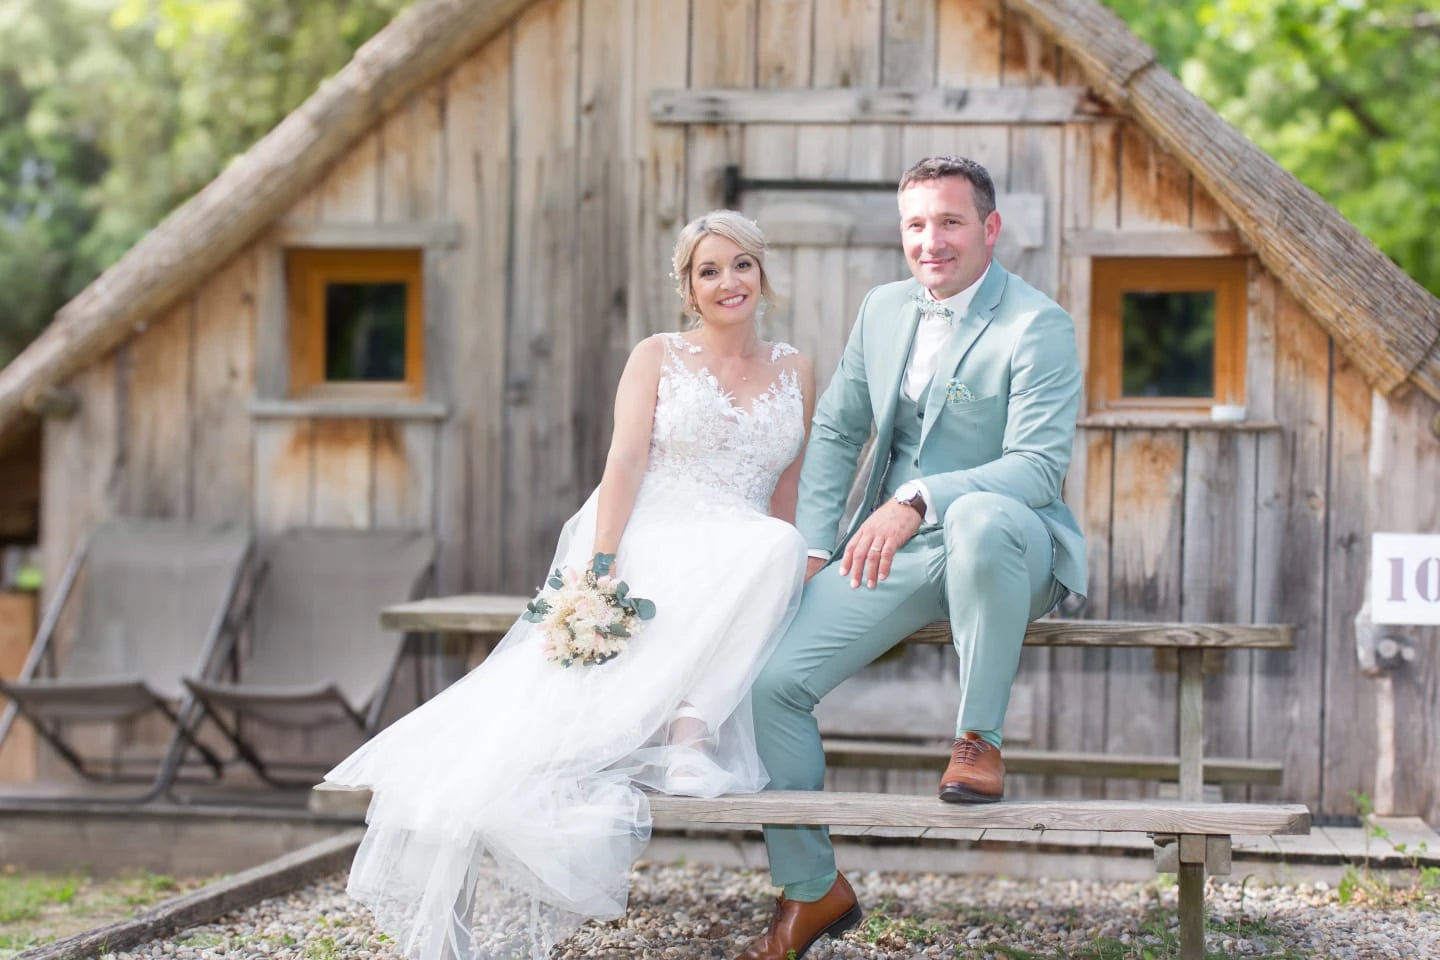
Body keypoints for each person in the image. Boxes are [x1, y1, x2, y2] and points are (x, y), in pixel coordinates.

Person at [325, 210, 816, 960]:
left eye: (741, 265)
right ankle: (674, 736)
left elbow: (787, 486)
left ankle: (693, 730)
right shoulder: (658, 355)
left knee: (781, 545)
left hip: (748, 550)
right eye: (708, 271)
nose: (728, 282)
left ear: (763, 273)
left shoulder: (797, 367)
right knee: (556, 723)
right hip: (659, 538)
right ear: (687, 288)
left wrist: (791, 577)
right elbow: (623, 463)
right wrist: (601, 562)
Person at [735, 155, 1087, 960]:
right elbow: (836, 431)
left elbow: (1036, 467)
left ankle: (979, 740)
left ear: (989, 229)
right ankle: (811, 889)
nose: (932, 241)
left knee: (986, 519)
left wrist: (919, 497)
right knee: (770, 686)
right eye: (917, 225)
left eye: (951, 222)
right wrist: (818, 545)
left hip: (1008, 541)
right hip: (892, 549)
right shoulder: (884, 309)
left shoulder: (1039, 325)